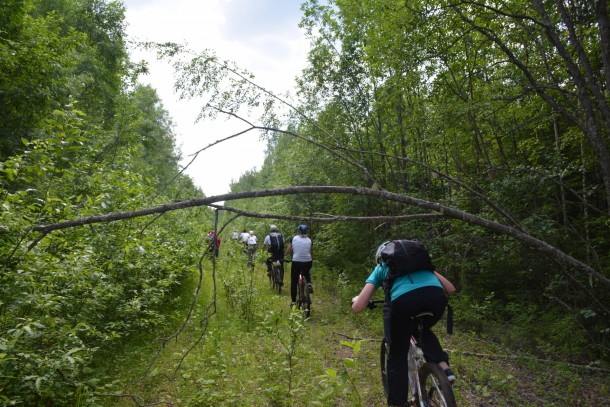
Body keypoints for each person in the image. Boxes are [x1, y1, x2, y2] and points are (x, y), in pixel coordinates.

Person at [351, 240, 456, 407]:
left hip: (405, 303)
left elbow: (358, 307)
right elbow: (450, 289)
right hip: (436, 299)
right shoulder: (422, 266)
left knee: (397, 353)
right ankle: (444, 368)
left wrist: (357, 299)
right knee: (422, 329)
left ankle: (397, 403)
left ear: (382, 257)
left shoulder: (382, 267)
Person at [285, 224, 313, 307]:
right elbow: (311, 253)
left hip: (296, 262)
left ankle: (293, 302)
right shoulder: (309, 240)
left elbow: (288, 251)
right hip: (308, 262)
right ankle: (309, 283)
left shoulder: (293, 239)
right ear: (306, 232)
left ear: (298, 231)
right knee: (306, 272)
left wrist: (286, 255)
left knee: (294, 282)